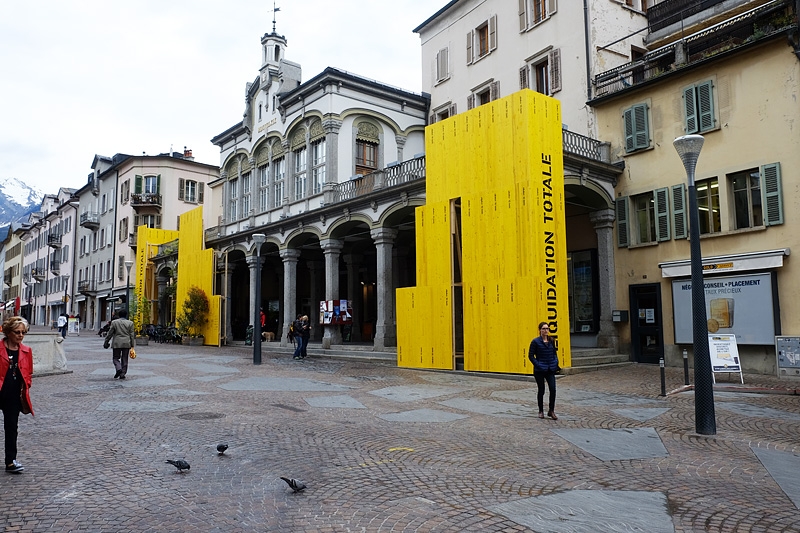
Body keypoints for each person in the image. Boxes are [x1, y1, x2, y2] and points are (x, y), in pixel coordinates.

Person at [0, 316, 34, 474]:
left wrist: (26, 385)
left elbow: (29, 372)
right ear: (8, 332)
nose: (21, 335)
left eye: (23, 332)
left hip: (14, 395)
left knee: (12, 427)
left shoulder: (26, 351)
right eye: (17, 332)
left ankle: (10, 461)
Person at [528, 321, 559, 420]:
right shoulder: (535, 342)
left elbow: (554, 353)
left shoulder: (551, 340)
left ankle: (551, 410)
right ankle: (541, 411)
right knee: (541, 390)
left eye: (547, 328)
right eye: (544, 329)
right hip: (540, 370)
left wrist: (555, 362)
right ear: (540, 330)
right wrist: (538, 364)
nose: (546, 330)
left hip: (550, 369)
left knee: (553, 389)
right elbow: (531, 356)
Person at [103, 310, 135, 380]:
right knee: (125, 358)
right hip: (126, 342)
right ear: (126, 315)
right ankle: (122, 373)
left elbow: (110, 333)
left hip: (117, 342)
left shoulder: (114, 322)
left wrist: (106, 341)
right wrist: (132, 345)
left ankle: (118, 368)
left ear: (119, 315)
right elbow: (132, 335)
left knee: (115, 358)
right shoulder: (130, 323)